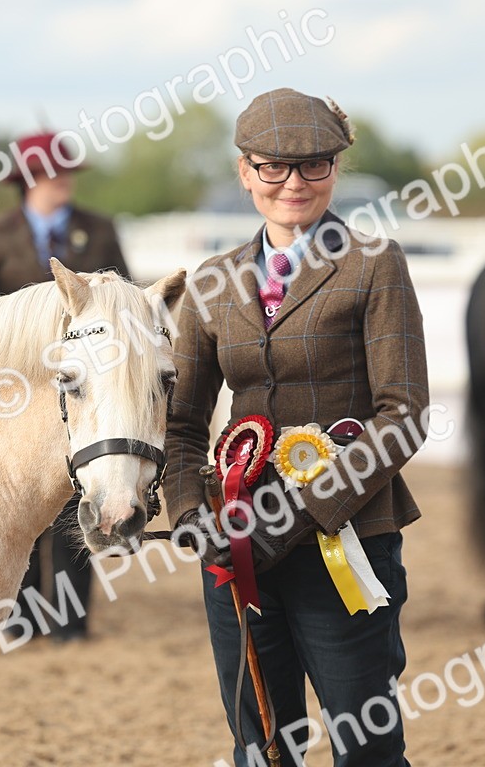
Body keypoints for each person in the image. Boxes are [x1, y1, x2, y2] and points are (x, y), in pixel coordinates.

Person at [163, 88, 428, 766]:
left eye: (313, 165)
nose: (293, 184)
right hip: (236, 546)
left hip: (345, 542)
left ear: (334, 170)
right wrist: (192, 512)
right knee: (260, 745)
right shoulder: (211, 283)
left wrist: (302, 512)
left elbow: (403, 415)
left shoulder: (374, 265)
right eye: (273, 167)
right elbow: (185, 422)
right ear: (246, 171)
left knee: (365, 743)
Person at [0, 131, 130, 643]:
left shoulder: (99, 229)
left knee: (73, 496)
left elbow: (120, 299)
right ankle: (19, 618)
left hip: (84, 388)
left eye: (65, 172)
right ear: (27, 182)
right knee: (22, 505)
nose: (62, 180)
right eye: (51, 173)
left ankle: (70, 619)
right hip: (16, 391)